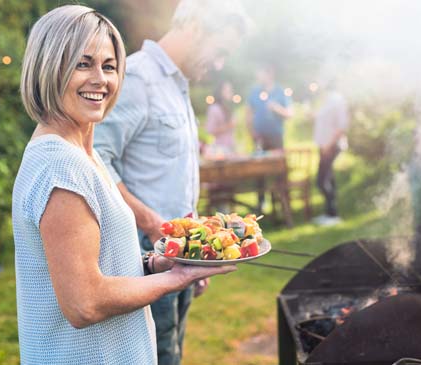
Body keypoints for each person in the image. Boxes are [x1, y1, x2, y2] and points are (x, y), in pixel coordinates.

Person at [12, 5, 235, 364]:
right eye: (83, 64)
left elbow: (98, 264)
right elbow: (85, 303)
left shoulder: (82, 154)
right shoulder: (60, 166)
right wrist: (176, 279)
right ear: (50, 67)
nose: (101, 79)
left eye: (110, 66)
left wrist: (153, 264)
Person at [93, 1, 250, 364]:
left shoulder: (178, 85)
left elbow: (175, 180)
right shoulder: (136, 77)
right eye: (220, 50)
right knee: (157, 355)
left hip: (179, 253)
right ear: (195, 26)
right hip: (143, 257)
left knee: (173, 353)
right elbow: (96, 160)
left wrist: (196, 252)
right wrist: (151, 226)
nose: (219, 63)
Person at [246, 64, 293, 213]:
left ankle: (282, 204)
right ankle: (261, 204)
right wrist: (251, 131)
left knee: (279, 170)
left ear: (270, 73)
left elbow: (289, 114)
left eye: (261, 73)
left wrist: (276, 108)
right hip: (259, 137)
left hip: (276, 136)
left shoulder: (280, 91)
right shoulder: (255, 92)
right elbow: (248, 113)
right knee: (259, 171)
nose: (259, 77)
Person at [312, 81, 349, 226]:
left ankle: (333, 215)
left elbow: (342, 126)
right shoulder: (328, 101)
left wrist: (328, 144)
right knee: (328, 179)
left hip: (331, 146)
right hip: (324, 146)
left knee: (321, 180)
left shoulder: (337, 100)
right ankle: (330, 214)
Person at [205, 80, 237, 157]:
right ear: (220, 92)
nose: (230, 93)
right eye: (227, 90)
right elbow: (210, 130)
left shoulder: (227, 107)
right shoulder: (214, 108)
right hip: (220, 150)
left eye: (230, 90)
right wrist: (228, 126)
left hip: (230, 148)